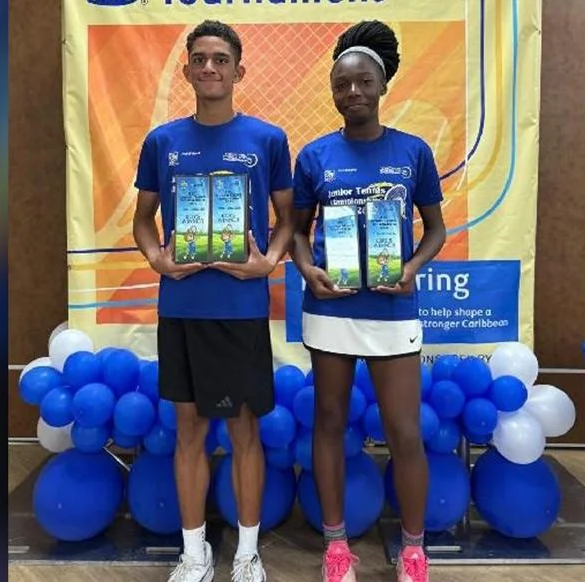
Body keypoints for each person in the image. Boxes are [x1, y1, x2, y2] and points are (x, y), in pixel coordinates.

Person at [131, 20, 294, 582]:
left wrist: (269, 261)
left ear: (238, 70)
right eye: (199, 59)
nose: (209, 68)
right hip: (182, 307)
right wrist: (157, 259)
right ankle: (194, 553)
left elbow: (288, 218)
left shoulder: (267, 140)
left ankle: (248, 554)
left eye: (220, 59)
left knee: (246, 433)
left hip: (241, 310)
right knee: (190, 432)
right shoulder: (163, 143)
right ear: (186, 71)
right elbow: (142, 219)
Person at [290, 20, 447, 582]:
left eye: (362, 82)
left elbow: (435, 230)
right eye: (341, 85)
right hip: (331, 307)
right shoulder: (314, 156)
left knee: (404, 430)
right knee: (328, 422)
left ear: (381, 86)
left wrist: (410, 268)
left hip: (391, 310)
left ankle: (413, 550)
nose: (351, 92)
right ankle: (336, 548)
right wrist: (306, 268)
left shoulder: (412, 152)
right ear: (332, 92)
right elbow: (299, 231)